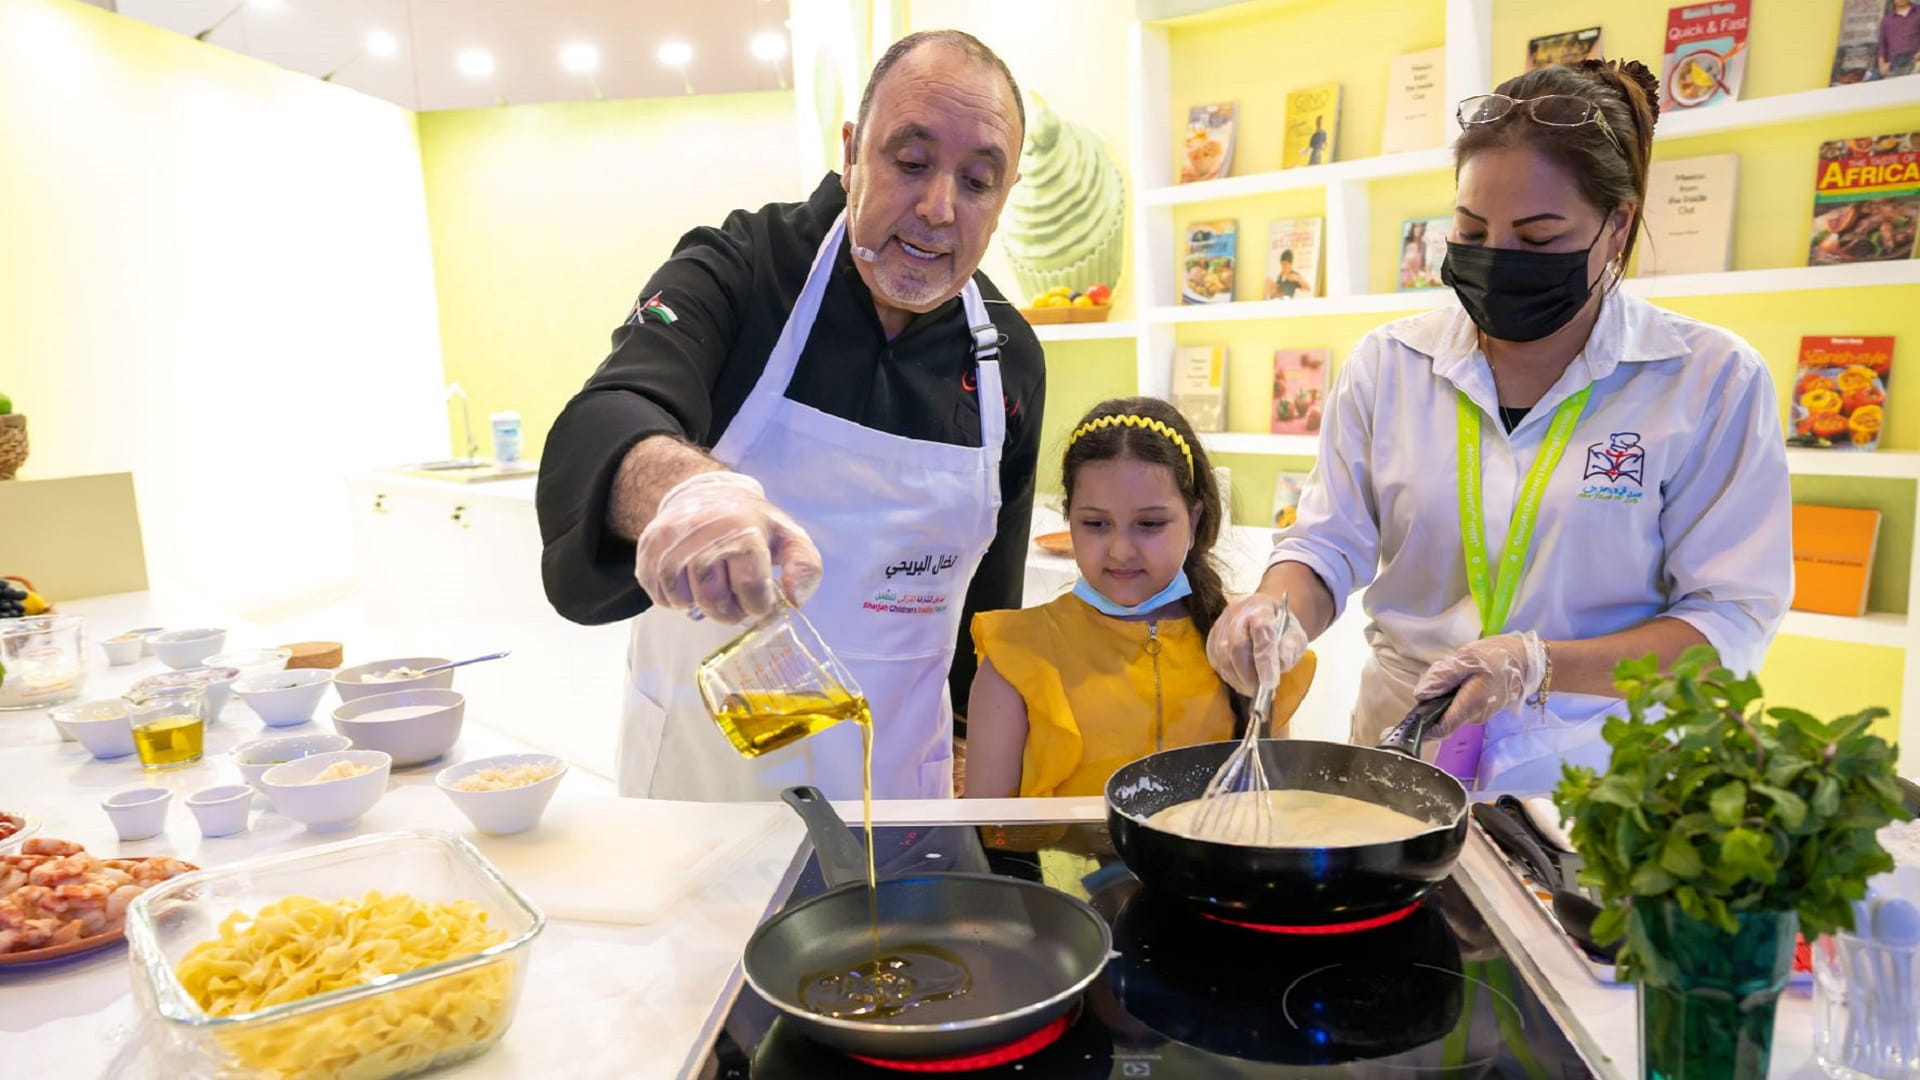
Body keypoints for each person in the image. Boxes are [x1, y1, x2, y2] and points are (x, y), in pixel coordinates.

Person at [1206, 59, 1792, 794]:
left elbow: (1728, 629)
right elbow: (1328, 544)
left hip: (1599, 775)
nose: (1499, 258)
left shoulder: (1708, 380)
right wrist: (1274, 609)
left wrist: (1537, 665)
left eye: (1539, 238)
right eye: (1472, 229)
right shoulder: (1390, 364)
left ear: (1618, 226)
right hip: (1400, 754)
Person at [535, 30, 1045, 800]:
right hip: (706, 794)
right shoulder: (742, 268)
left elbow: (989, 611)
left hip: (898, 795)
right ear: (851, 152)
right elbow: (614, 410)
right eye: (909, 163)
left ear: (1003, 200)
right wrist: (688, 492)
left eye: (977, 182)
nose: (939, 208)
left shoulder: (1006, 356)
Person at [964, 398, 1315, 798]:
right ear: (1068, 517)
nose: (1120, 551)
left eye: (1149, 524)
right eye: (1096, 524)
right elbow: (989, 828)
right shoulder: (1016, 655)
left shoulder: (1247, 643)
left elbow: (1276, 806)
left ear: (1195, 519)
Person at [1881, 0, 1919, 79]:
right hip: (1894, 65)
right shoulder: (1887, 19)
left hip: (1916, 63)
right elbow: (1882, 44)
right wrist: (1882, 64)